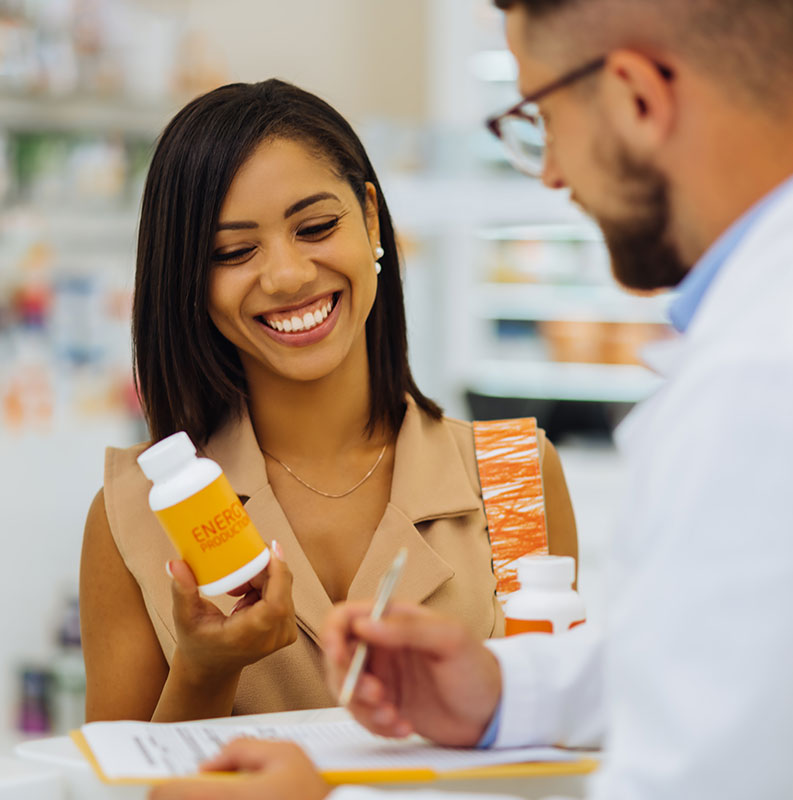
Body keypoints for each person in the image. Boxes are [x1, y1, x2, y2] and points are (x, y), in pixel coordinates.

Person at [148, 0, 793, 798]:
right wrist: (504, 688)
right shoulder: (754, 352)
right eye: (234, 250)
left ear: (635, 98)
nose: (550, 172)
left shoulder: (755, 382)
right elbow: (701, 660)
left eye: (541, 120)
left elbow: (690, 771)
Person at [79, 79, 578, 724]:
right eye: (234, 252)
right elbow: (118, 788)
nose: (287, 275)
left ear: (371, 218)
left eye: (315, 227)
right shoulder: (132, 516)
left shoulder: (517, 474)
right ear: (189, 281)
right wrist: (205, 672)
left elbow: (554, 745)